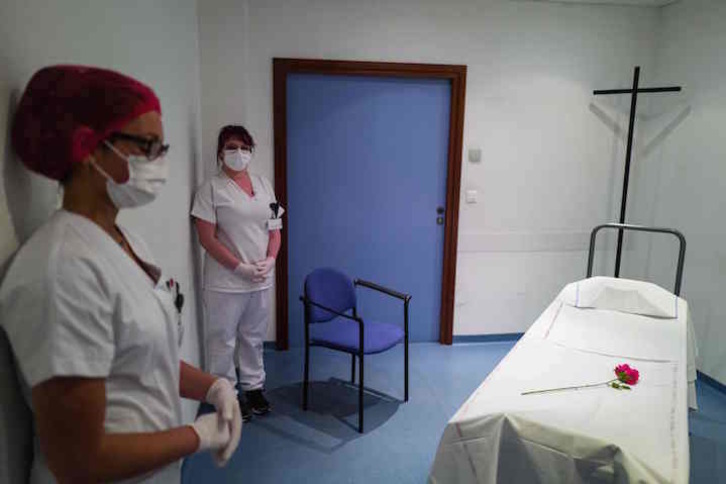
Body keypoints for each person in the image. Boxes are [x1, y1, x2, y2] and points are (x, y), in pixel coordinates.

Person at [0, 65, 242, 483]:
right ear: (90, 148)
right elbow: (80, 459)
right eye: (147, 145)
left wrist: (212, 387)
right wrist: (197, 435)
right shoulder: (61, 271)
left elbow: (143, 356)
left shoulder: (123, 240)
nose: (159, 160)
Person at [192, 125, 282, 421]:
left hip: (259, 278)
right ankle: (227, 395)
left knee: (253, 337)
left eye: (244, 147)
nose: (239, 153)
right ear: (220, 152)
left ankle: (254, 387)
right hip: (225, 282)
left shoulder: (264, 184)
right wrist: (239, 267)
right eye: (232, 147)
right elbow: (207, 238)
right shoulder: (211, 189)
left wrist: (270, 259)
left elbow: (275, 228)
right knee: (222, 340)